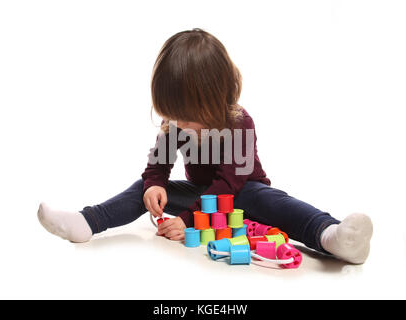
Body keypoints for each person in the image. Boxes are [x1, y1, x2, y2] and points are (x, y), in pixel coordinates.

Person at [37, 28, 373, 264]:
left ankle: (331, 235)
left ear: (215, 101)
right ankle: (87, 222)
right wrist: (155, 185)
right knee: (143, 187)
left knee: (275, 202)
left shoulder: (239, 122)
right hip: (200, 193)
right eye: (173, 117)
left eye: (187, 117)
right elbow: (157, 165)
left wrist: (187, 220)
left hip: (242, 194)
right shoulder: (176, 125)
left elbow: (228, 184)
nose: (179, 125)